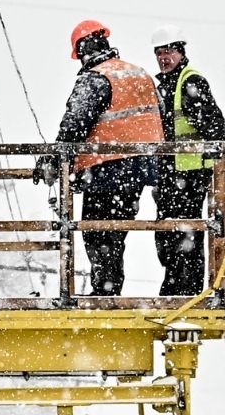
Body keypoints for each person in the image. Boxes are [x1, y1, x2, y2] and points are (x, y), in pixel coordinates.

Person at [37, 20, 163, 297]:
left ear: (83, 49)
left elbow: (74, 124)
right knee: (115, 233)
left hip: (107, 168)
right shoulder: (139, 73)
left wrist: (51, 158)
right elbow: (160, 117)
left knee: (97, 233)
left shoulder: (96, 77)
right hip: (142, 169)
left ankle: (105, 292)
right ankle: (108, 289)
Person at [149, 25, 225, 297]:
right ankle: (174, 285)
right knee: (166, 233)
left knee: (187, 234)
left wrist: (213, 159)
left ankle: (187, 290)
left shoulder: (190, 82)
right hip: (171, 174)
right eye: (159, 52)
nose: (163, 57)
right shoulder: (165, 86)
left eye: (168, 51)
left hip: (190, 172)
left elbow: (215, 127)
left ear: (181, 52)